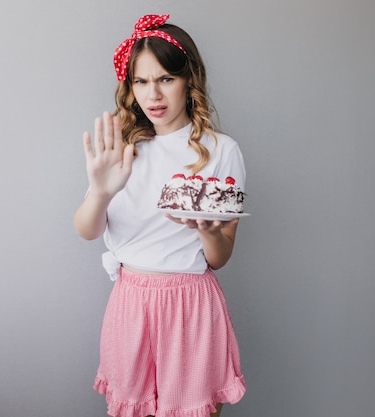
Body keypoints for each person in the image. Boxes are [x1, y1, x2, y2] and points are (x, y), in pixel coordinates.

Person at [73, 14, 247, 417]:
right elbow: (86, 229)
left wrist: (206, 229)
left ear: (189, 81)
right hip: (131, 303)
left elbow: (220, 257)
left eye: (166, 78)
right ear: (130, 87)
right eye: (141, 81)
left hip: (192, 305)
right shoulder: (122, 148)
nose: (153, 94)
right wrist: (100, 190)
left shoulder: (221, 150)